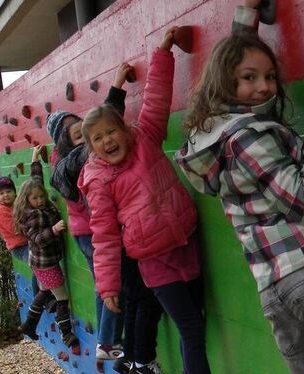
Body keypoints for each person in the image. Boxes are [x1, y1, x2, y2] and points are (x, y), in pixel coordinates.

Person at [173, 2, 304, 373]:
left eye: (269, 77)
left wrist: (245, 15)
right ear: (225, 80)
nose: (265, 86)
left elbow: (236, 62)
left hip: (275, 292)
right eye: (250, 78)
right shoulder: (251, 139)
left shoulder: (211, 139)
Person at [79, 27, 210, 374]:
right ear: (91, 149)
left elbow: (156, 100)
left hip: (184, 242)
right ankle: (125, 361)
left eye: (110, 132)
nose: (107, 141)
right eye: (97, 139)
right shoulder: (99, 181)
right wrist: (107, 285)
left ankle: (141, 361)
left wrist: (163, 51)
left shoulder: (145, 139)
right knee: (190, 328)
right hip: (154, 260)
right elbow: (104, 236)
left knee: (195, 325)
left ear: (123, 130)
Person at [46, 63, 135, 362]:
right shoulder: (69, 163)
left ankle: (104, 348)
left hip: (87, 231)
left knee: (104, 289)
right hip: (90, 232)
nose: (88, 136)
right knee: (113, 289)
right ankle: (110, 348)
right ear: (66, 139)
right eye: (79, 133)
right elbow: (105, 122)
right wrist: (116, 90)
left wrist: (119, 85)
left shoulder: (66, 160)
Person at [14, 146, 80, 353]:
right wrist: (53, 230)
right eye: (35, 199)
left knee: (43, 292)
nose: (40, 200)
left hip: (40, 263)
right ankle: (67, 334)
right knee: (61, 298)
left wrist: (34, 159)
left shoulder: (37, 205)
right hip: (46, 263)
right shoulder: (34, 215)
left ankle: (29, 325)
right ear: (27, 200)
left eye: (41, 197)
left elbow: (36, 182)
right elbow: (36, 238)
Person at [0, 176, 41, 297]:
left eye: (9, 191)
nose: (6, 195)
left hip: (27, 243)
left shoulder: (17, 204)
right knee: (38, 265)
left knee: (39, 265)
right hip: (19, 247)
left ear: (15, 192)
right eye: (2, 193)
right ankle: (39, 297)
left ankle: (43, 294)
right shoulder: (1, 210)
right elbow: (15, 229)